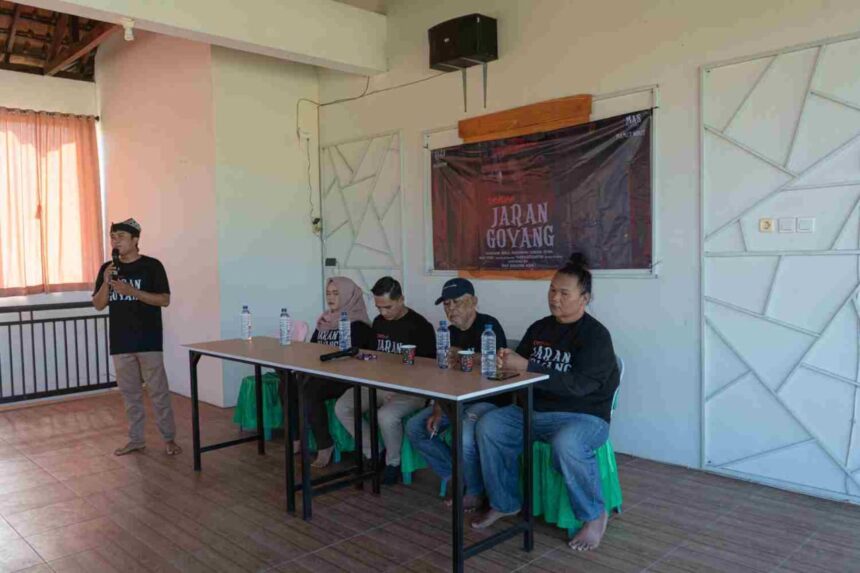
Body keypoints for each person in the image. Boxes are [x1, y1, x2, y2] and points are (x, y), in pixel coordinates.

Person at [472, 253, 619, 553]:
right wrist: (506, 362)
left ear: (585, 298)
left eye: (564, 293)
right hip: (532, 411)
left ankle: (594, 515)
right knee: (489, 425)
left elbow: (579, 386)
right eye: (552, 290)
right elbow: (521, 367)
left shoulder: (596, 336)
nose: (555, 298)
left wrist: (528, 366)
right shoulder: (540, 328)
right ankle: (505, 502)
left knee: (568, 443)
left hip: (583, 417)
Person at [405, 278, 508, 511]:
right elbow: (444, 377)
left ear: (474, 301)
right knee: (415, 427)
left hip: (486, 401)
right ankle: (456, 475)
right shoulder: (447, 333)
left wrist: (463, 356)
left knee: (466, 434)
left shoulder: (489, 327)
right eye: (446, 304)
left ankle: (474, 491)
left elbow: (498, 362)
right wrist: (438, 408)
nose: (451, 309)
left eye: (457, 302)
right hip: (454, 401)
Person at [92, 218, 182, 457]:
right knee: (130, 395)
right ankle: (136, 440)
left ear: (135, 240)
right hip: (120, 342)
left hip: (148, 340)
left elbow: (164, 299)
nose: (116, 241)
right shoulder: (107, 268)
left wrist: (131, 291)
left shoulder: (152, 266)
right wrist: (107, 283)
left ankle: (169, 439)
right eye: (113, 237)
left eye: (121, 237)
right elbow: (98, 304)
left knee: (158, 393)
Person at [334, 276, 435, 485]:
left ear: (401, 299)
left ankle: (393, 462)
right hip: (380, 384)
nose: (383, 312)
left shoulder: (420, 326)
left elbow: (428, 370)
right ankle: (374, 452)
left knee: (386, 415)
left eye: (388, 307)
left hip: (411, 389)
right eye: (379, 308)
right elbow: (375, 357)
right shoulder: (379, 323)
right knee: (342, 407)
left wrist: (398, 386)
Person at [303, 277, 375, 468]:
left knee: (309, 391)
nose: (331, 298)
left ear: (349, 296)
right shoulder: (325, 320)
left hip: (347, 378)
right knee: (289, 383)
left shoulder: (358, 324)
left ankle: (324, 445)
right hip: (324, 374)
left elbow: (355, 358)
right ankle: (295, 437)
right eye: (328, 293)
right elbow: (312, 349)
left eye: (336, 293)